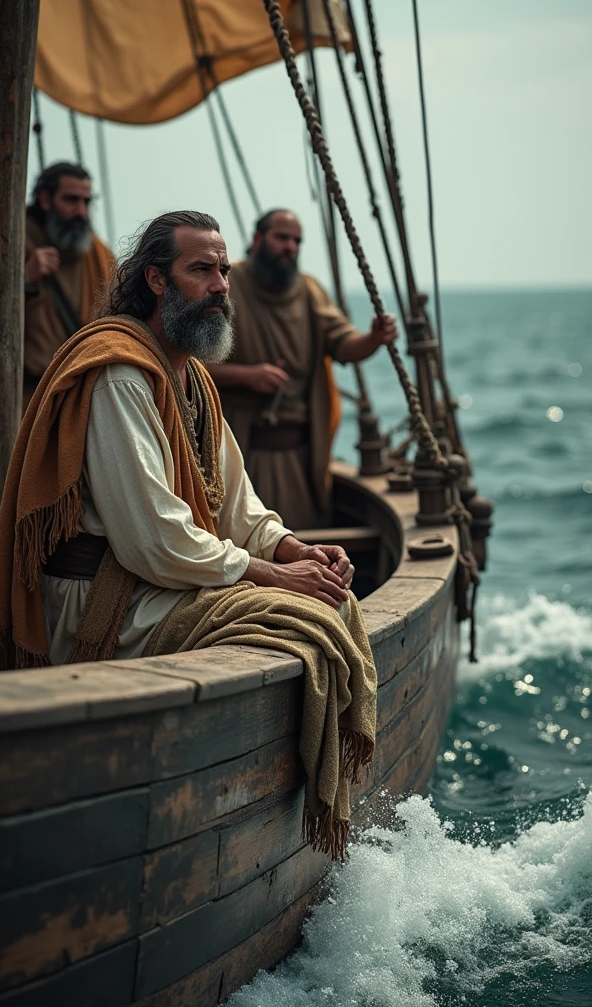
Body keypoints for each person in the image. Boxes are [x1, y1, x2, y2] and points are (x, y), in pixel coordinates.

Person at [0, 210, 377, 859]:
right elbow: (155, 538)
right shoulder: (120, 373)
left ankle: (319, 815)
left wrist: (293, 548)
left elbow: (233, 501)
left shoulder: (191, 375)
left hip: (155, 582)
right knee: (298, 618)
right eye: (201, 270)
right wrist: (274, 575)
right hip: (100, 602)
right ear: (155, 281)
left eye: (224, 271)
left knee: (327, 603)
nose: (222, 285)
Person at [205, 208, 398, 530]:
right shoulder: (226, 287)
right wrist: (249, 376)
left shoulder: (309, 291)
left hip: (300, 458)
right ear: (257, 239)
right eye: (281, 237)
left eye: (296, 241)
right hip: (235, 452)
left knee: (302, 540)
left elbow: (344, 344)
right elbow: (186, 364)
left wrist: (375, 337)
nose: (290, 247)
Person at [23, 161, 115, 406]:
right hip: (21, 395)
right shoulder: (14, 239)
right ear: (45, 199)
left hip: (78, 399)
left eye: (86, 202)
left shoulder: (99, 256)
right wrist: (24, 280)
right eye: (71, 200)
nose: (81, 212)